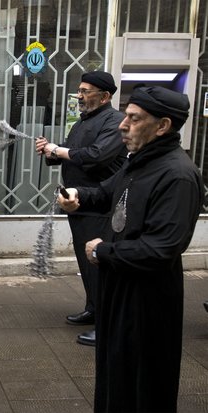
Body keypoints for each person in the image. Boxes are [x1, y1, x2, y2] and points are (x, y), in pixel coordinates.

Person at [58, 86, 203, 413]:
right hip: (119, 289)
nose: (123, 125)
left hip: (147, 300)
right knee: (115, 375)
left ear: (162, 125)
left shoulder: (177, 175)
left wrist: (102, 252)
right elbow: (107, 191)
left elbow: (161, 249)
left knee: (142, 383)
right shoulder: (139, 161)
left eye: (134, 119)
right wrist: (78, 194)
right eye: (126, 116)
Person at [35, 71, 126, 346]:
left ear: (105, 96)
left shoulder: (115, 121)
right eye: (80, 90)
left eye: (86, 91)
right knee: (86, 261)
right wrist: (49, 151)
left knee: (99, 263)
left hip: (99, 202)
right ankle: (93, 308)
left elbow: (97, 156)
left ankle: (106, 324)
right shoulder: (83, 121)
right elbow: (71, 153)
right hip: (78, 202)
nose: (80, 96)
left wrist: (58, 150)